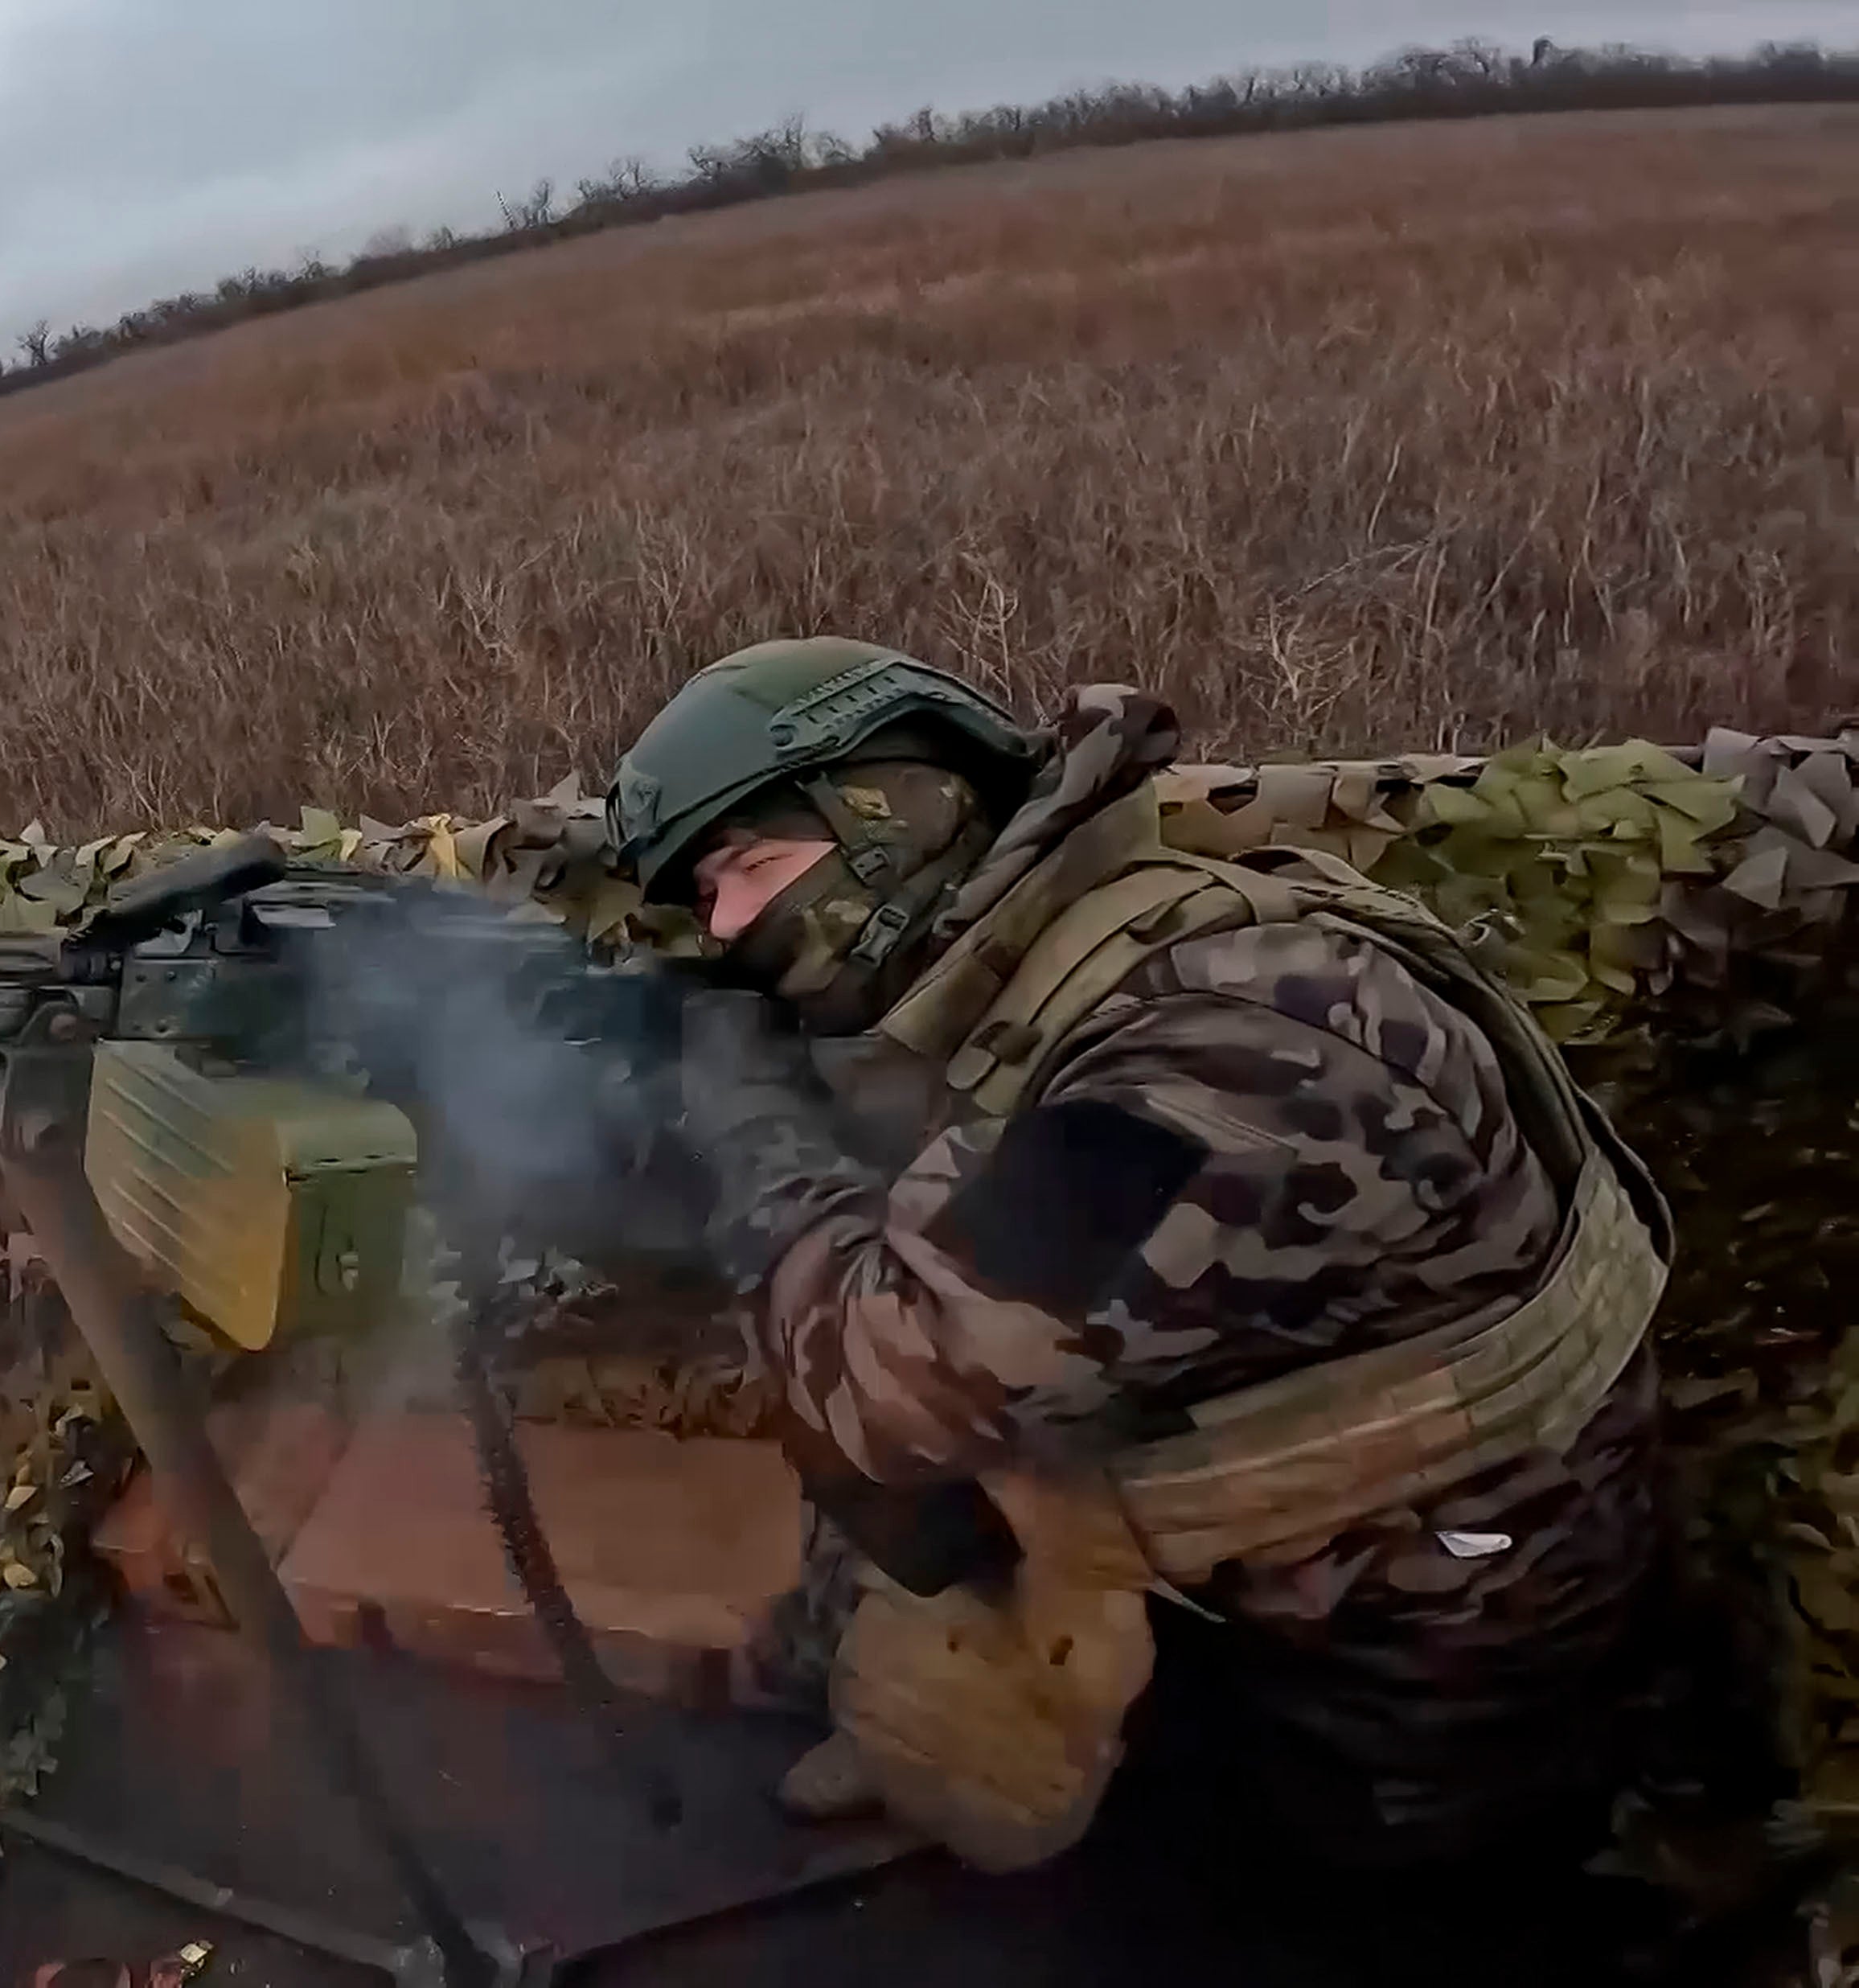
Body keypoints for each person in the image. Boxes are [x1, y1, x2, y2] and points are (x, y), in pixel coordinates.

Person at [598, 637, 1672, 1872]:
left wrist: (749, 1129)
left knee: (1268, 1907)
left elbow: (887, 1388)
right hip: (1278, 1538)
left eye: (747, 870)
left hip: (1412, 1652)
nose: (726, 927)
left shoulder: (1220, 1048)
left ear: (900, 817)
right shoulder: (1078, 942)